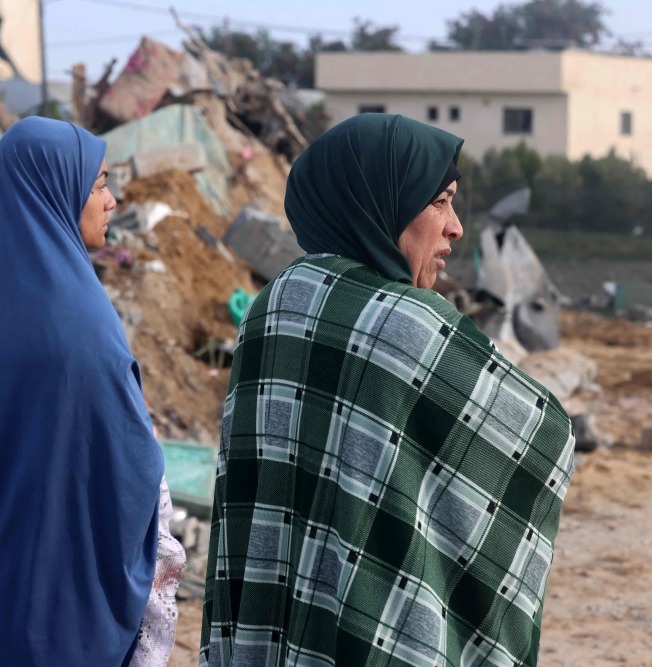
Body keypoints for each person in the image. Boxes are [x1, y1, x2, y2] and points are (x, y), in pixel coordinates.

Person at [200, 114, 575, 667]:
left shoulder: (273, 304)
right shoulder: (411, 324)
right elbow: (544, 438)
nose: (456, 228)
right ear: (382, 201)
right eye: (440, 202)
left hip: (268, 627)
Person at [0, 117, 183, 667]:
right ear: (56, 190)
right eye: (98, 184)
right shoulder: (79, 326)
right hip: (44, 619)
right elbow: (126, 483)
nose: (112, 200)